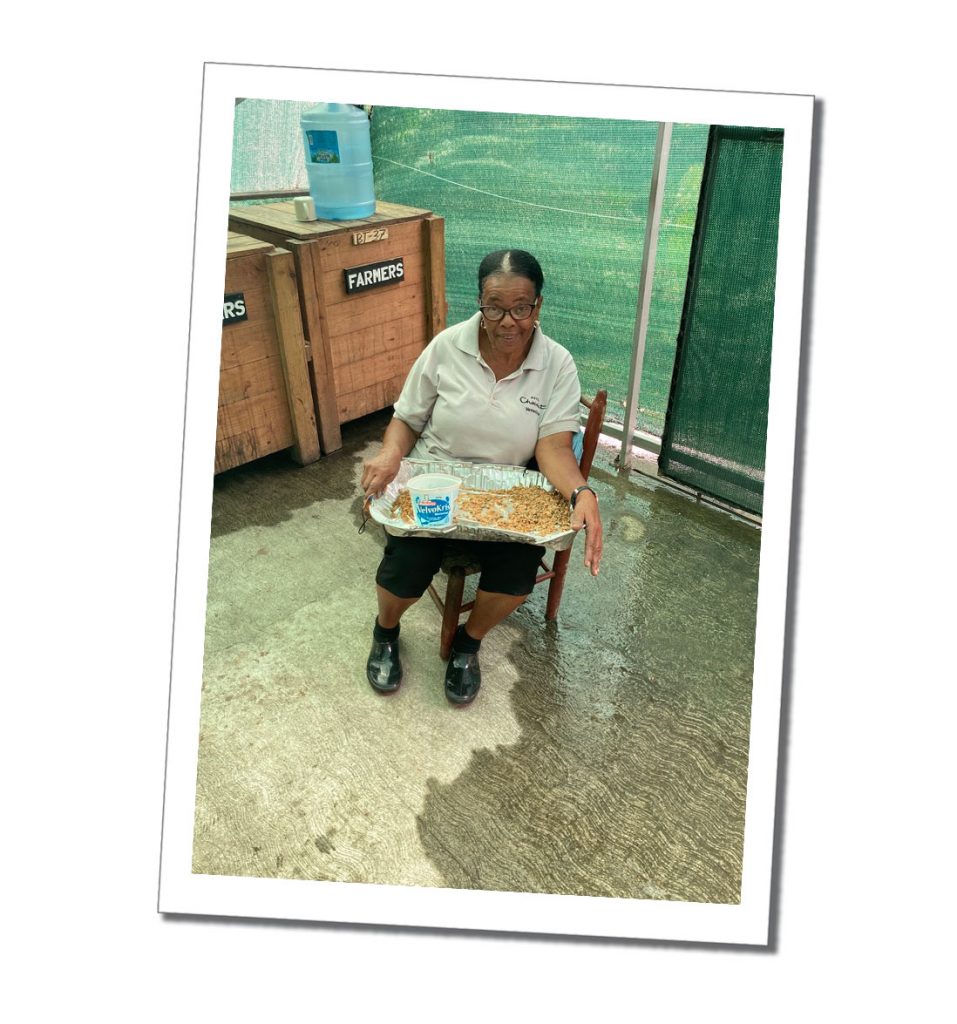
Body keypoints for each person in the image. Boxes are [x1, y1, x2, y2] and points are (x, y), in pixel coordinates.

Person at [361, 249, 603, 705]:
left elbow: (551, 446)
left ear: (538, 307)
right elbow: (407, 418)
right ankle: (386, 631)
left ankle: (468, 645)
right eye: (494, 307)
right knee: (404, 571)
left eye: (520, 308)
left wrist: (581, 490)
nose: (507, 321)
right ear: (479, 303)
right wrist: (391, 454)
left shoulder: (557, 364)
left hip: (509, 491)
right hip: (436, 484)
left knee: (515, 578)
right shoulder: (447, 347)